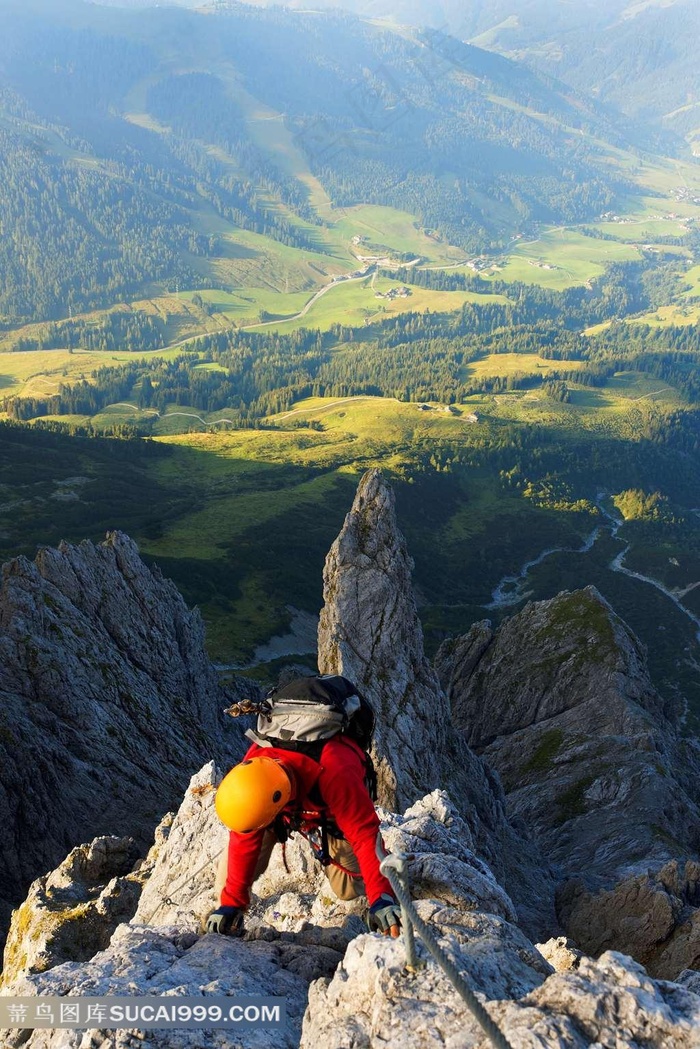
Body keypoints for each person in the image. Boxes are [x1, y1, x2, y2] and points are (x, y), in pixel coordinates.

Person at [205, 729, 402, 938]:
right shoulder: (255, 774)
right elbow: (243, 839)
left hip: (330, 813)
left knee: (346, 888)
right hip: (283, 809)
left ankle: (388, 869)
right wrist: (230, 904)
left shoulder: (335, 771)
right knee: (229, 873)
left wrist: (381, 897)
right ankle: (227, 921)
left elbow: (364, 836)